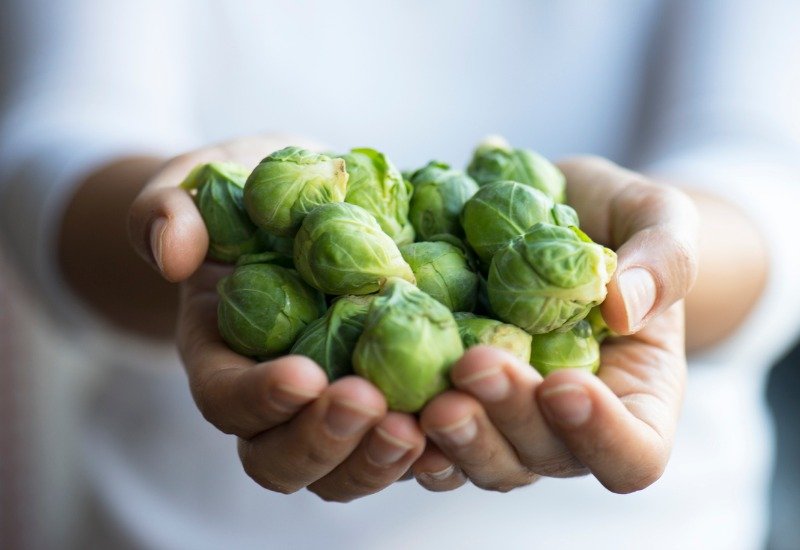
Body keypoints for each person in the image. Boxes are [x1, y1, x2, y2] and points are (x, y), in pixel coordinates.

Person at [1, 1, 799, 548]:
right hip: (179, 527)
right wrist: (193, 244)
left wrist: (656, 267)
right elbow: (56, 138)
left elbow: (769, 170)